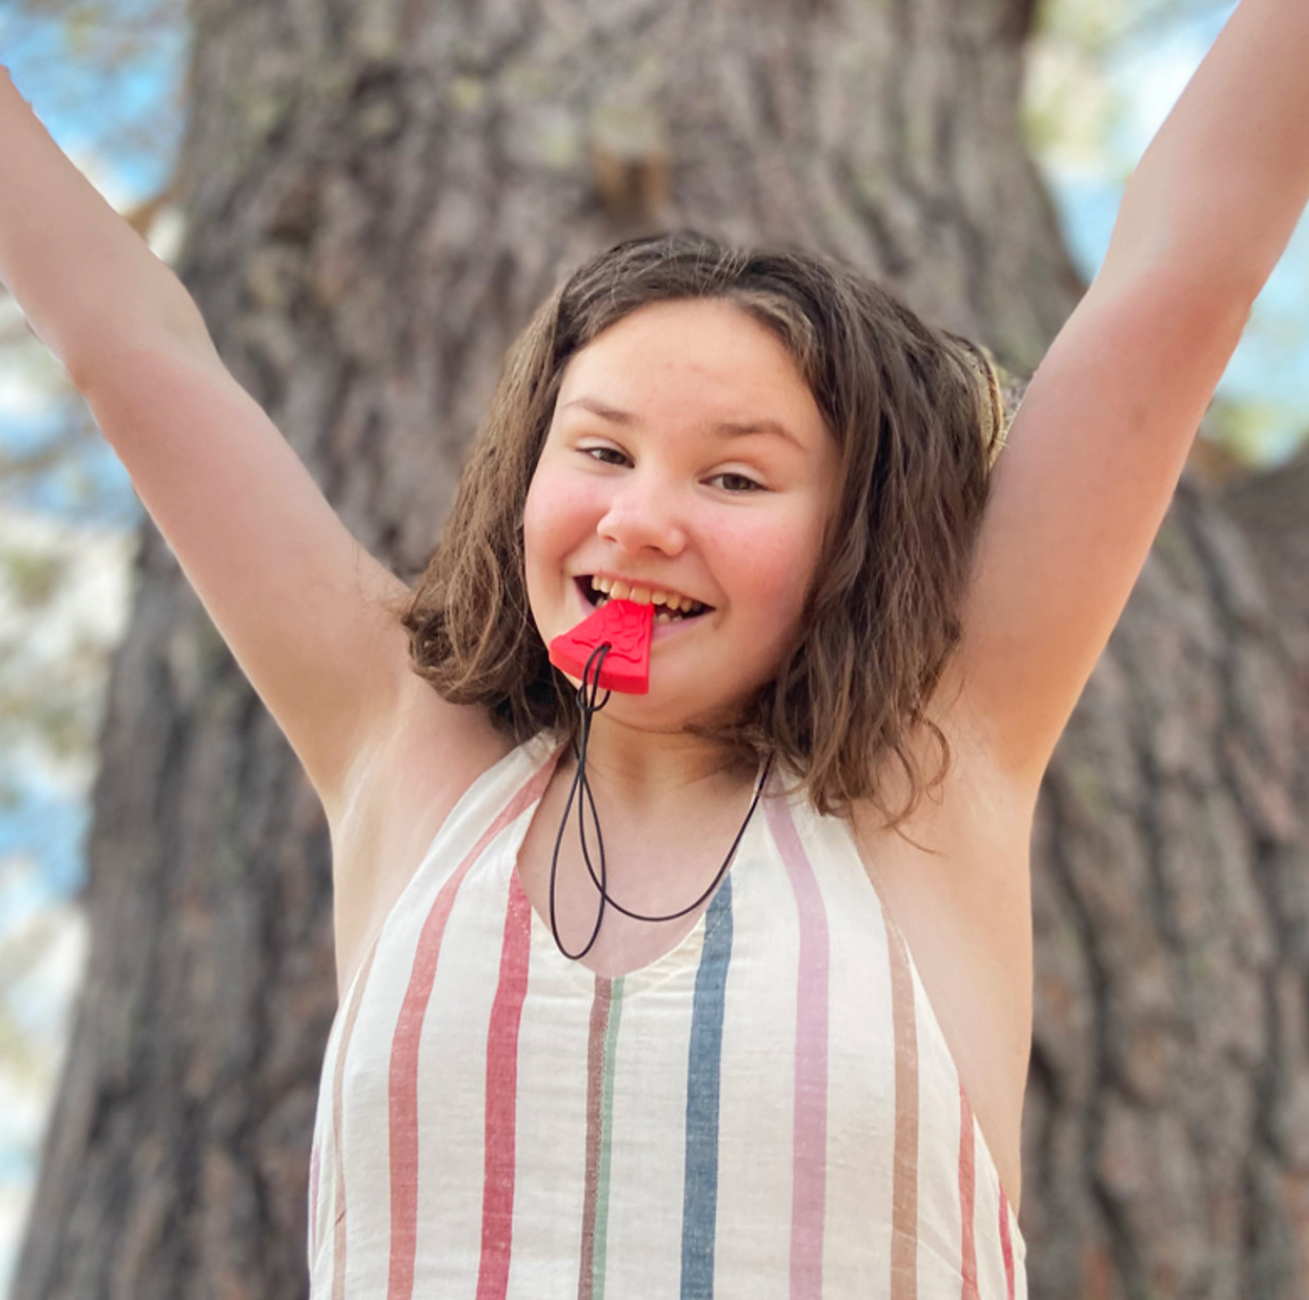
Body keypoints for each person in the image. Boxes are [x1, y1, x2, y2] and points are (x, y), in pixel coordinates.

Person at [3, 0, 1308, 1292]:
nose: (638, 522)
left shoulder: (930, 784)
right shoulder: (410, 755)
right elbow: (132, 345)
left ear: (850, 542)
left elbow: (1182, 271)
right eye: (601, 451)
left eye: (734, 478)